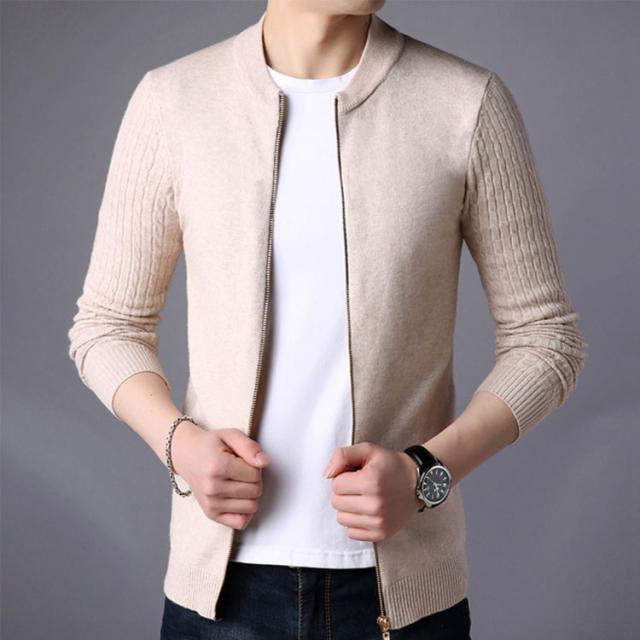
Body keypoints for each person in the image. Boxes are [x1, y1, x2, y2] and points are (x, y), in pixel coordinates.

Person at [67, 1, 588, 638]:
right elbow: (108, 326)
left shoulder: (466, 103)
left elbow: (547, 339)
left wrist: (426, 473)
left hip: (402, 599)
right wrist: (180, 446)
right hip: (224, 596)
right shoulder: (174, 102)